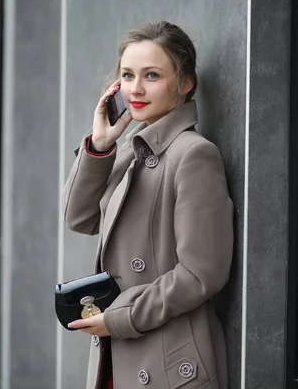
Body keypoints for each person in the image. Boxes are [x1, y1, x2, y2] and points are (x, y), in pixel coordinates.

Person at [62, 21, 233, 389]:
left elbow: (202, 274)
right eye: (127, 75)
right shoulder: (129, 153)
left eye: (151, 75)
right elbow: (79, 217)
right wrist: (101, 145)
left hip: (167, 361)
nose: (135, 89)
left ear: (185, 83)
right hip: (121, 355)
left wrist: (118, 318)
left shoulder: (194, 155)